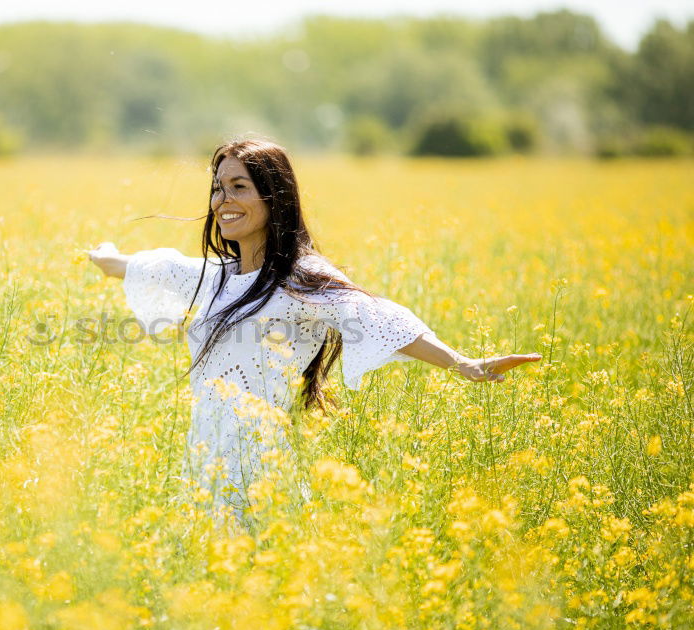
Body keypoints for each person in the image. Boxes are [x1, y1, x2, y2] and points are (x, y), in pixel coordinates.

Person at [87, 138, 540, 520]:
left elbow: (378, 317)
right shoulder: (214, 276)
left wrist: (464, 364)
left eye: (239, 187)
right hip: (203, 464)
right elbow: (141, 267)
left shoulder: (301, 277)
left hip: (260, 468)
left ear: (274, 197)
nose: (223, 201)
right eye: (218, 188)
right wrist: (101, 254)